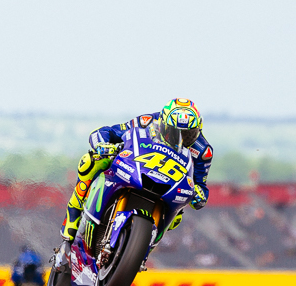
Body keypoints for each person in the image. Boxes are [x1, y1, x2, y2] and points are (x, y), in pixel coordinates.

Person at [60, 98, 213, 244]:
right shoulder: (147, 121)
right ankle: (73, 214)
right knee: (92, 160)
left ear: (199, 130)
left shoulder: (203, 151)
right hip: (135, 168)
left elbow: (201, 187)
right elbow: (109, 132)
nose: (182, 138)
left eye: (189, 134)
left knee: (178, 216)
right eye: (176, 132)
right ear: (164, 124)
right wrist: (103, 145)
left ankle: (145, 246)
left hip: (169, 186)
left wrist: (199, 195)